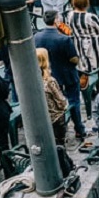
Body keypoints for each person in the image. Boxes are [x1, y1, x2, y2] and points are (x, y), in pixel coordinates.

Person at [34, 10, 87, 139]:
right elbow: (74, 59)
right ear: (56, 20)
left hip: (49, 73)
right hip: (66, 74)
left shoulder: (37, 36)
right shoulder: (64, 39)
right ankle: (79, 128)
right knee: (74, 101)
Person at [68, 0, 99, 71]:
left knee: (84, 64)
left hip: (78, 42)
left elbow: (70, 28)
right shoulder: (91, 17)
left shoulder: (70, 15)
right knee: (95, 65)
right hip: (93, 44)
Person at [36, 48, 69, 146]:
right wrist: (65, 104)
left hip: (39, 118)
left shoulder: (29, 79)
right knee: (59, 146)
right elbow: (61, 101)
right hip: (54, 118)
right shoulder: (49, 81)